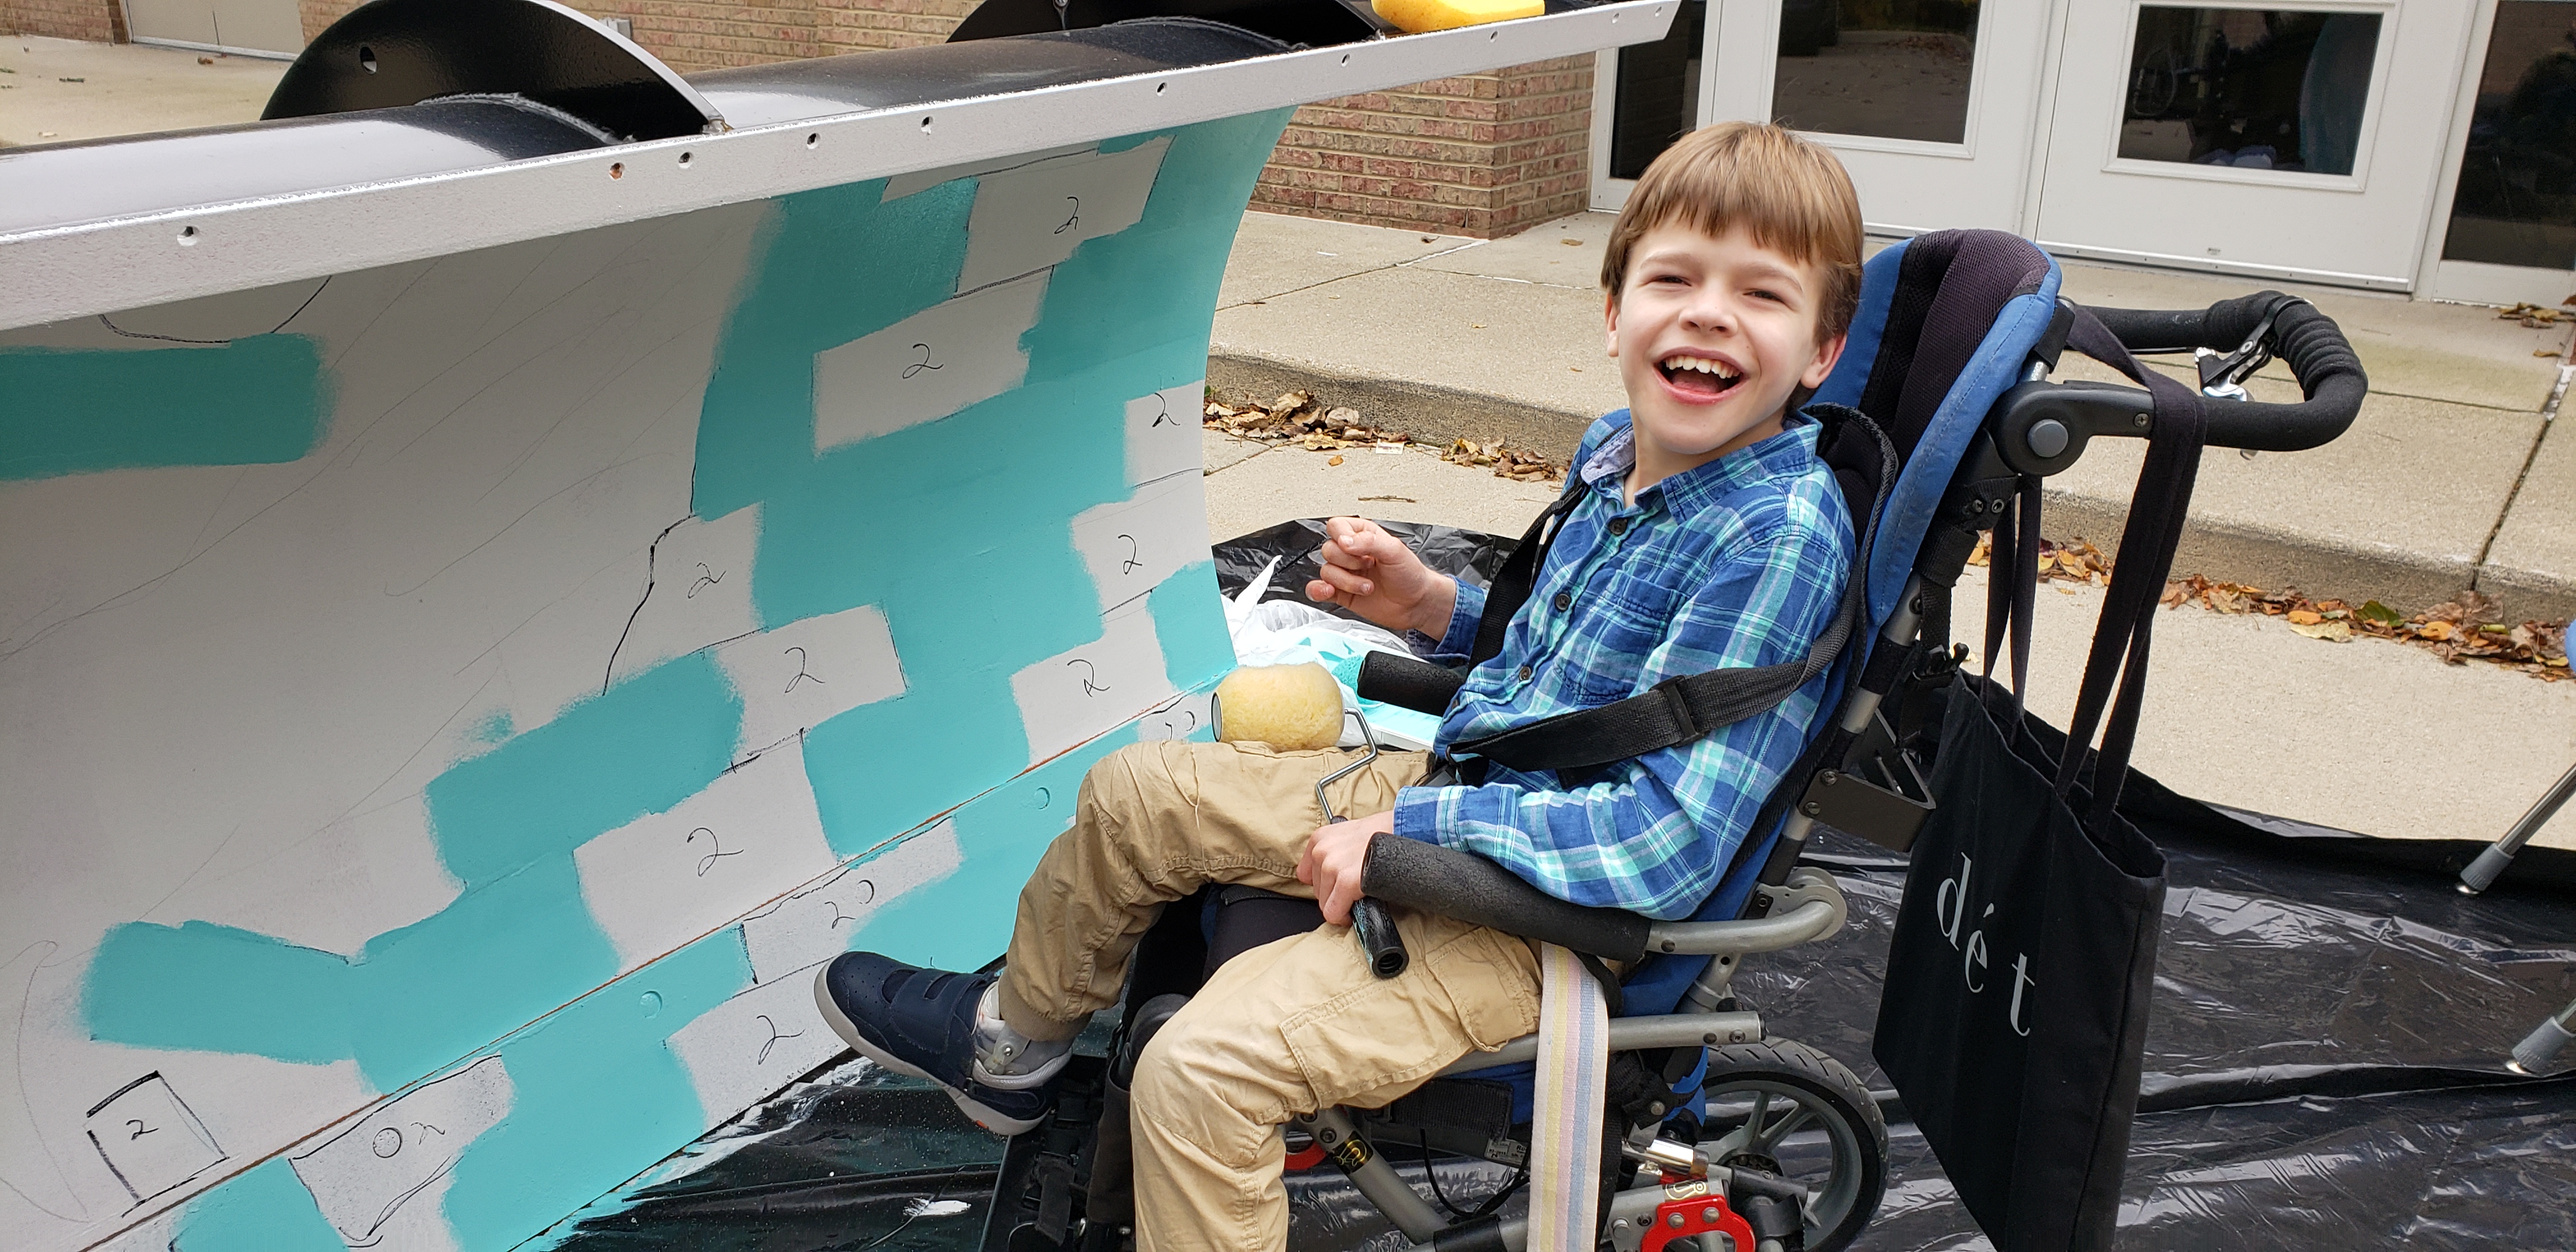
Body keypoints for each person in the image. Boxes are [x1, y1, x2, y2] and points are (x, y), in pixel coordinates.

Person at [814, 121, 1862, 1251]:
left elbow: (1663, 848)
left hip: (1547, 919)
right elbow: (1575, 683)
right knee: (1135, 796)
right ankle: (1011, 1050)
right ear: (1615, 313)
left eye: (1759, 295)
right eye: (1674, 279)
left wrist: (1406, 833)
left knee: (1197, 1077)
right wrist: (1429, 607)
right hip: (1484, 796)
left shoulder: (1772, 538)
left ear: (1820, 353)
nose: (1708, 312)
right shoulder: (1621, 459)